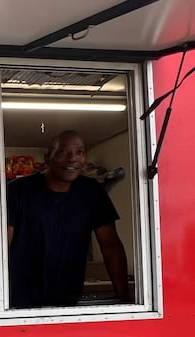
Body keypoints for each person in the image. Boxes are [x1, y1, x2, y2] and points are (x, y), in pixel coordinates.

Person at [7, 130, 129, 308]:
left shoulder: (92, 193)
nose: (73, 158)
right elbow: (2, 246)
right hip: (18, 301)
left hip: (68, 301)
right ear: (48, 158)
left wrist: (123, 297)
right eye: (64, 152)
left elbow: (110, 245)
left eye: (79, 152)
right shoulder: (18, 191)